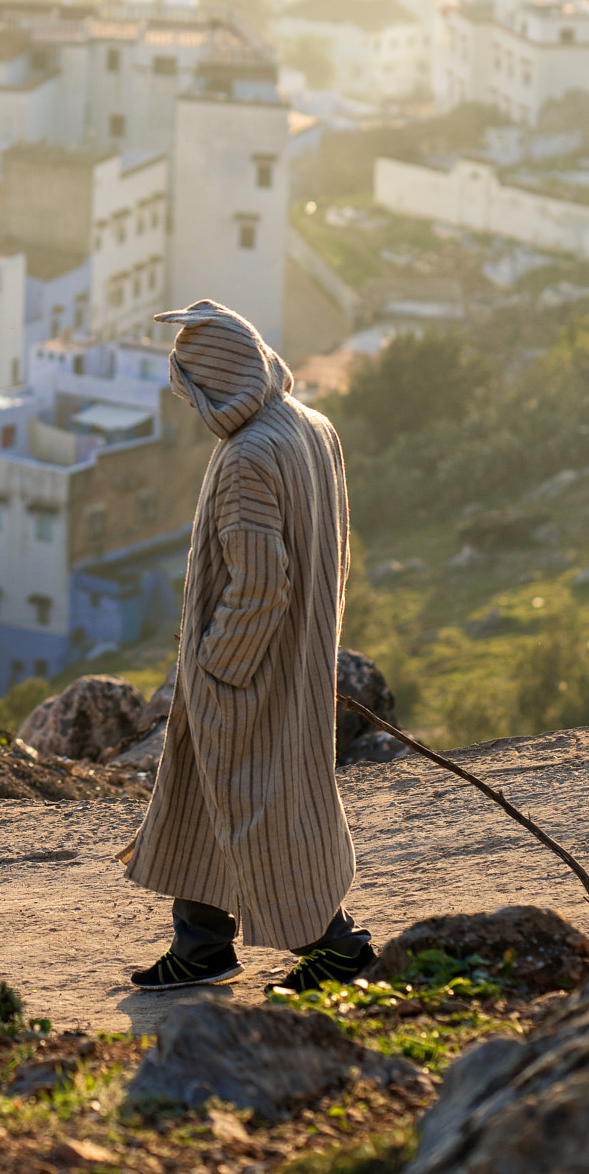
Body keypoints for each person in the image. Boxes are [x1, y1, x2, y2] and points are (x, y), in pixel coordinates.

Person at [121, 300, 374, 991]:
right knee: (211, 797)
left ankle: (336, 945)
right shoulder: (310, 425)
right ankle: (202, 945)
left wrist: (217, 665)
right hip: (298, 653)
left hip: (251, 668)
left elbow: (260, 585)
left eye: (190, 389)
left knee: (266, 808)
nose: (191, 403)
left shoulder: (245, 456)